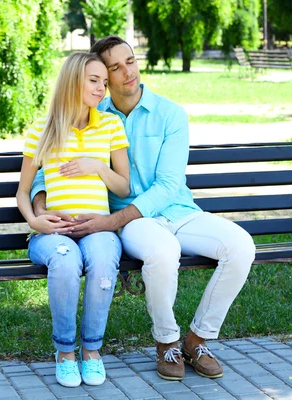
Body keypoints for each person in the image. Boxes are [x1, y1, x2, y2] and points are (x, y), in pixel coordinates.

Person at [31, 36, 256, 382]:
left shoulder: (170, 114)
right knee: (163, 252)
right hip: (133, 224)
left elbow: (167, 185)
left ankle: (197, 339)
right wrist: (41, 208)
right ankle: (167, 341)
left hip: (177, 211)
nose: (127, 72)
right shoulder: (91, 114)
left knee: (241, 247)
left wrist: (108, 221)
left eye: (130, 61)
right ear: (101, 77)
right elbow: (49, 168)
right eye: (115, 68)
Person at [16, 52, 130, 388]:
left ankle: (92, 351)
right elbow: (22, 193)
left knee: (103, 258)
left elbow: (123, 185)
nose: (101, 89)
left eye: (104, 83)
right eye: (93, 80)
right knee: (66, 262)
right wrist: (35, 222)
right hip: (54, 232)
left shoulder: (110, 125)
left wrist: (97, 166)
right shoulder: (42, 129)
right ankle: (65, 352)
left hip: (97, 227)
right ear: (72, 81)